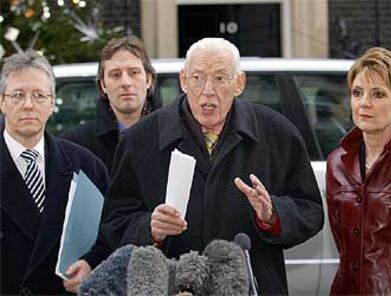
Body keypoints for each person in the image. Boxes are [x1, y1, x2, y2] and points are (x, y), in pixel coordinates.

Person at [101, 37, 324, 295]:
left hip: (252, 286)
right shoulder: (140, 140)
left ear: (239, 83)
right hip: (171, 286)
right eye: (197, 78)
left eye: (220, 78)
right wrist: (151, 228)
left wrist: (273, 215)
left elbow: (310, 209)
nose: (208, 90)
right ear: (183, 80)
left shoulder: (277, 133)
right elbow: (115, 221)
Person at [0, 51, 110, 295]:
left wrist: (92, 262)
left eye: (39, 95)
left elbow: (113, 229)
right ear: (2, 102)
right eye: (18, 95)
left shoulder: (86, 166)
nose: (28, 104)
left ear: (51, 104)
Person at [326, 47, 391, 295]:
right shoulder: (337, 163)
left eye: (378, 94)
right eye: (357, 93)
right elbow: (342, 243)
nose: (364, 103)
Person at [61, 35, 160, 172]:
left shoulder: (175, 138)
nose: (125, 82)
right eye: (115, 75)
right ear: (103, 85)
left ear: (148, 80)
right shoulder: (75, 144)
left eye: (134, 73)